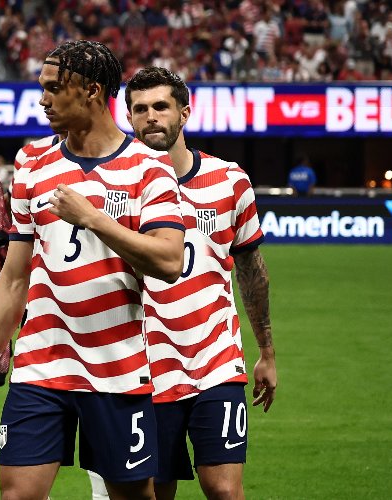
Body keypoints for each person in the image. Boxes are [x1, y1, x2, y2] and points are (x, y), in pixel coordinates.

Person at [0, 40, 186, 500]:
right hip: (42, 363)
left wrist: (94, 218)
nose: (42, 99)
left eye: (53, 88)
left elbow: (169, 260)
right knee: (17, 495)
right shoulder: (31, 163)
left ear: (91, 91)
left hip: (117, 368)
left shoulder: (149, 167)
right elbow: (15, 277)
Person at [115, 66, 278, 500]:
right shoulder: (117, 188)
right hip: (143, 368)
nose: (151, 117)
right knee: (152, 492)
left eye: (161, 107)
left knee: (224, 490)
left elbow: (251, 271)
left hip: (216, 364)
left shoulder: (229, 180)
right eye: (140, 109)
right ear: (129, 118)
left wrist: (265, 351)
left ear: (184, 113)